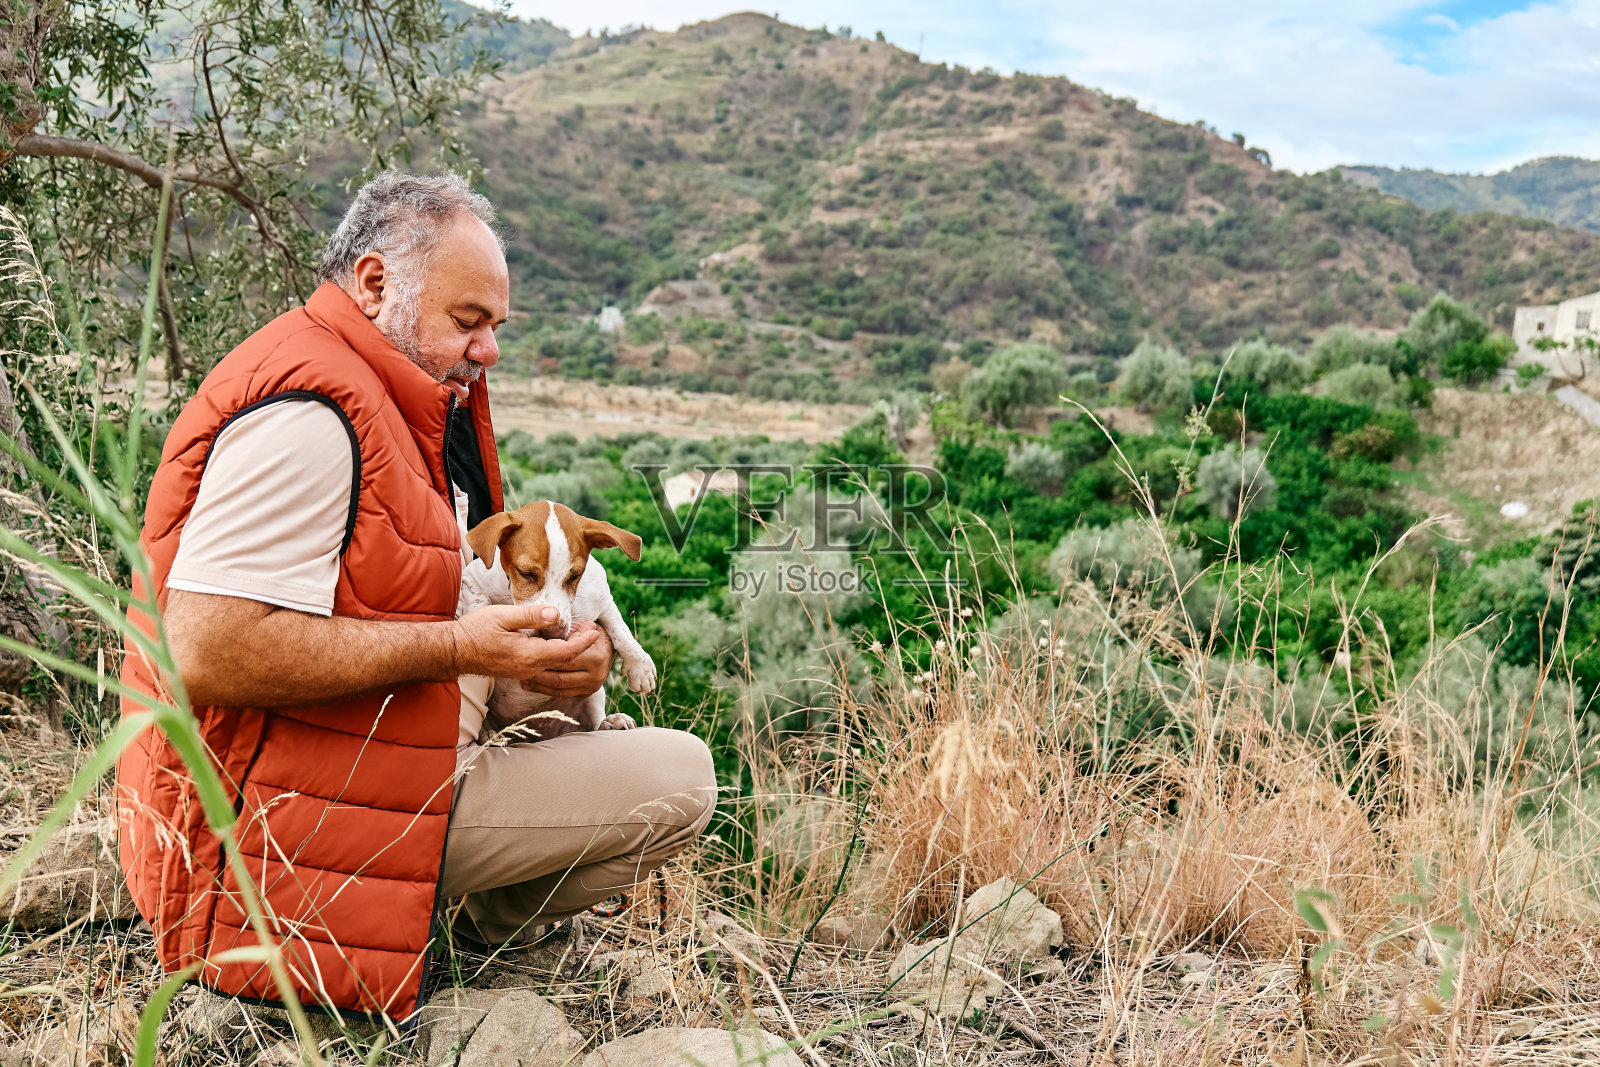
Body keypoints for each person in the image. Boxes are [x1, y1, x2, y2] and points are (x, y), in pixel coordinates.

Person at [115, 171, 716, 1019]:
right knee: (683, 779)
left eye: (497, 327)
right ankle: (476, 930)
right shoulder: (311, 416)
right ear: (373, 284)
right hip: (261, 848)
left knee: (611, 738)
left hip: (344, 786)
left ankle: (444, 923)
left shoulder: (399, 401)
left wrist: (539, 670)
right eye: (468, 322)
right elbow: (203, 651)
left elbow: (392, 610)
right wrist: (462, 650)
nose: (489, 350)